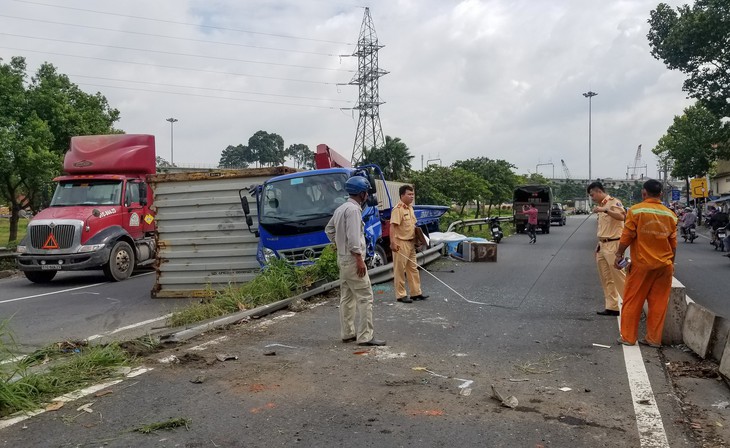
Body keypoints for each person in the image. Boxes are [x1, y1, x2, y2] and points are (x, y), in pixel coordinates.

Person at [614, 179, 677, 348]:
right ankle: (653, 339)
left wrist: (619, 254)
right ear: (661, 194)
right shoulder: (671, 214)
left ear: (644, 193)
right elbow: (673, 244)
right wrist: (672, 264)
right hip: (664, 265)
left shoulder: (636, 211)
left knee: (632, 301)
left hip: (642, 265)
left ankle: (628, 337)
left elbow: (626, 236)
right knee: (659, 303)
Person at [325, 176, 386, 347]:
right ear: (362, 193)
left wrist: (338, 244)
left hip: (343, 259)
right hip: (353, 260)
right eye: (366, 192)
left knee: (347, 297)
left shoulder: (341, 208)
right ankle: (366, 336)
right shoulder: (353, 210)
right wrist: (359, 259)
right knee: (365, 297)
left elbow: (329, 229)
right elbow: (353, 238)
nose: (367, 195)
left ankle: (348, 333)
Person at [587, 181, 626, 317]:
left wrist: (606, 210)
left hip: (614, 245)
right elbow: (603, 227)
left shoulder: (613, 203)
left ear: (598, 191)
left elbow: (622, 216)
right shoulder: (600, 206)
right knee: (606, 277)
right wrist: (599, 243)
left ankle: (630, 306)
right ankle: (612, 306)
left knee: (619, 277)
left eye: (592, 195)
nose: (592, 198)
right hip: (602, 245)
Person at [390, 185, 428, 304]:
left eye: (413, 194)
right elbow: (392, 226)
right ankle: (401, 295)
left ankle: (416, 292)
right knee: (400, 270)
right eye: (409, 194)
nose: (412, 197)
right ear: (402, 196)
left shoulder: (410, 208)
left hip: (411, 242)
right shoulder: (398, 209)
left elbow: (414, 227)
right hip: (401, 243)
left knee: (413, 269)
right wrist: (393, 242)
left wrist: (418, 241)